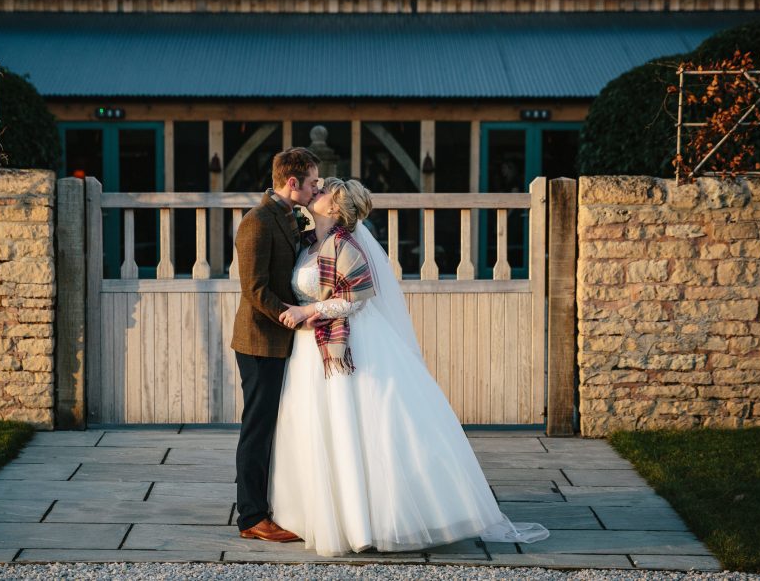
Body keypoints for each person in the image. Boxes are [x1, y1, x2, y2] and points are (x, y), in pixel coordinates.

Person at [270, 177, 550, 556]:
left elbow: (354, 299)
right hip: (311, 354)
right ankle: (329, 515)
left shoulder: (346, 245)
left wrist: (309, 310)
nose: (316, 192)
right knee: (324, 432)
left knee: (362, 428)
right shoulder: (309, 242)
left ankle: (372, 521)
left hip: (352, 346)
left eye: (323, 192)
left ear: (335, 209)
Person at [230, 147, 320, 542]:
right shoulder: (257, 221)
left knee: (272, 427)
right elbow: (253, 288)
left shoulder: (289, 214)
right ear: (292, 182)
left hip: (279, 341)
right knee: (257, 429)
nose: (316, 189)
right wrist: (290, 315)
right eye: (313, 182)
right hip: (259, 341)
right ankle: (251, 517)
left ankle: (267, 508)